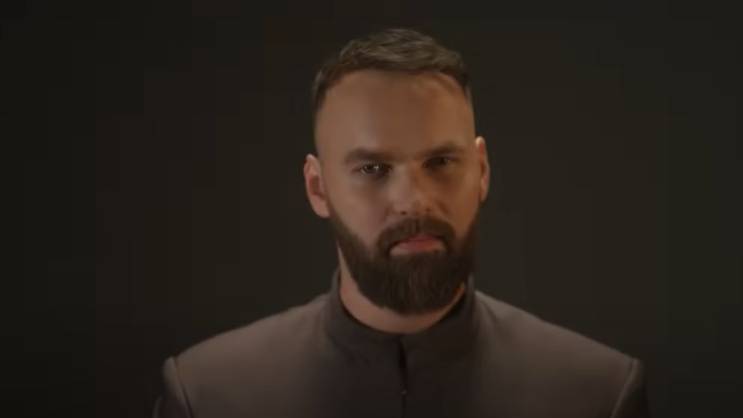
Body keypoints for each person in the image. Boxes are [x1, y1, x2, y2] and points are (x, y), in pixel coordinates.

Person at [153, 28, 649, 418]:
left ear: (481, 171)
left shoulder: (597, 396)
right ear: (317, 188)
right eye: (373, 169)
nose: (413, 201)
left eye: (440, 162)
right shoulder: (209, 398)